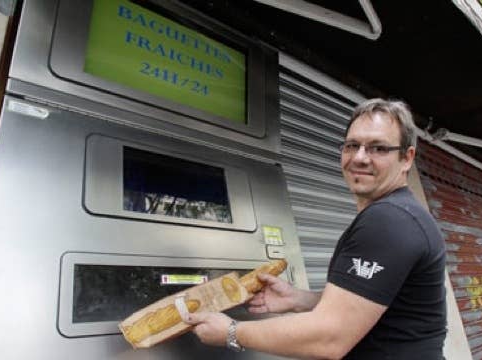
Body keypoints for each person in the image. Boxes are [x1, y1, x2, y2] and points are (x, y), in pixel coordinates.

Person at [184, 98, 447, 359]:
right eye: (352, 145)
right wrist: (300, 299)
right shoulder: (404, 214)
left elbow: (329, 337)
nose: (360, 157)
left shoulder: (389, 220)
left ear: (406, 158)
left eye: (378, 148)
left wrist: (231, 331)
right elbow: (378, 304)